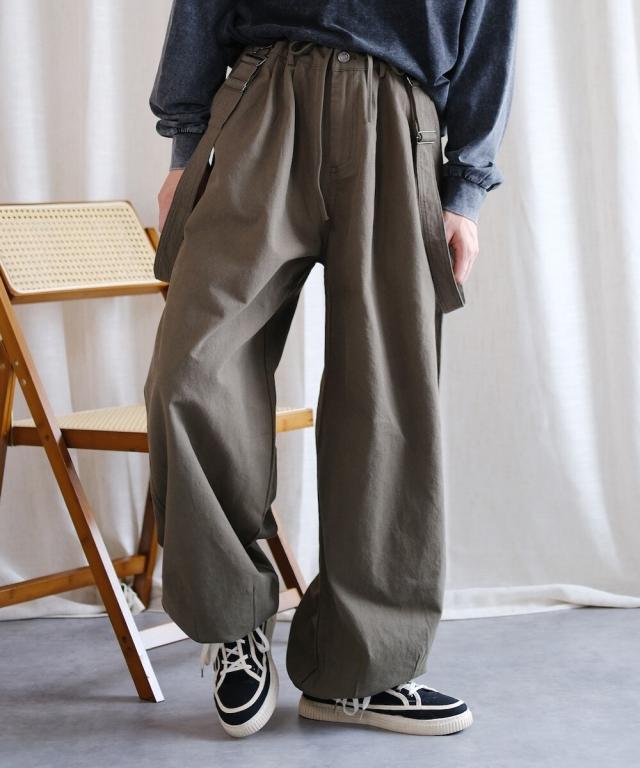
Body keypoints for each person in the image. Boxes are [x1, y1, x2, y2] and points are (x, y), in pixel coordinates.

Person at [144, 0, 518, 739]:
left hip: (398, 120)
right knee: (189, 375)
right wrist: (185, 147)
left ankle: (361, 670)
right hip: (262, 106)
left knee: (386, 400)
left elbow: (491, 26)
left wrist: (466, 189)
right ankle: (234, 621)